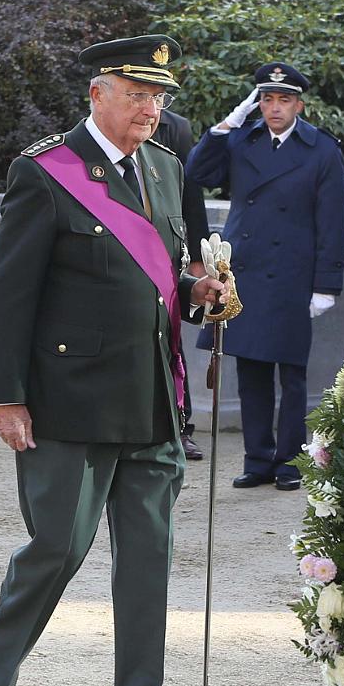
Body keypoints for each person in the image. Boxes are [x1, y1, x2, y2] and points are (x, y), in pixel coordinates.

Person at [0, 35, 224, 686]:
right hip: (71, 396)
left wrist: (205, 295)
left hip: (153, 398)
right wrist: (7, 397)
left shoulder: (169, 170)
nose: (149, 108)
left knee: (148, 555)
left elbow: (171, 282)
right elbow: (8, 296)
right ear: (96, 94)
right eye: (134, 93)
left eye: (158, 96)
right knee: (59, 544)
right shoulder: (45, 171)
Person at [186, 62, 344, 491]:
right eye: (267, 99)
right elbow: (197, 174)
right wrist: (224, 127)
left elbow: (332, 222)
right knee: (251, 370)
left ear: (300, 103)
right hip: (246, 271)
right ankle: (257, 460)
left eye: (284, 100)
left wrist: (326, 284)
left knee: (291, 374)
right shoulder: (241, 138)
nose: (275, 108)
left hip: (293, 271)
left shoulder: (322, 149)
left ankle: (290, 462)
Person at [150, 101, 211, 461]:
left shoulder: (177, 128)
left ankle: (182, 426)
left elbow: (192, 194)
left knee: (172, 337)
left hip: (164, 253)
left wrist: (200, 258)